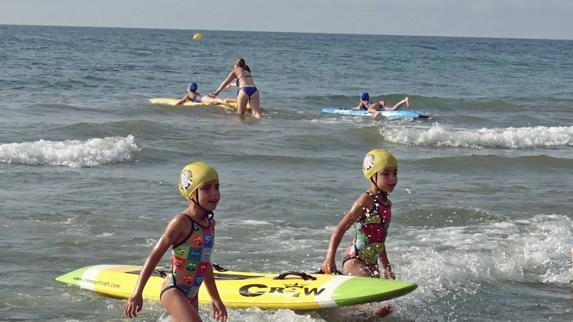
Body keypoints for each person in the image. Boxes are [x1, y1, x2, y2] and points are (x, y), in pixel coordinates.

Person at [124, 162, 227, 322]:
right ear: (192, 193)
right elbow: (154, 256)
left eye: (217, 187)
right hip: (174, 290)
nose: (215, 193)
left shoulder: (210, 225)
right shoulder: (181, 222)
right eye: (206, 188)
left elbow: (204, 263)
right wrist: (137, 293)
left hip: (192, 294)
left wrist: (215, 298)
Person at [321, 149, 399, 317]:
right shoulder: (366, 201)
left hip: (371, 263)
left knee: (382, 308)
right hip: (355, 260)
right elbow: (340, 228)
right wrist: (329, 259)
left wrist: (387, 268)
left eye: (395, 173)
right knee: (373, 306)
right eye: (386, 174)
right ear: (372, 176)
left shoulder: (386, 203)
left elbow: (379, 240)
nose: (392, 178)